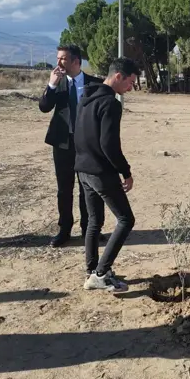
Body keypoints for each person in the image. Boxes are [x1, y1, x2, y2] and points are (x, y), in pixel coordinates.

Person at [74, 57, 139, 293]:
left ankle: (92, 270)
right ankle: (101, 274)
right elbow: (109, 145)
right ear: (118, 76)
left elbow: (79, 134)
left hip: (82, 169)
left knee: (94, 221)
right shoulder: (111, 104)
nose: (131, 88)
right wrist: (126, 171)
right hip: (100, 171)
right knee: (126, 220)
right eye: (130, 82)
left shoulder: (85, 97)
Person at [39, 45, 104, 247]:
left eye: (63, 59)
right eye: (57, 58)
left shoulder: (94, 84)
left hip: (87, 145)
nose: (58, 63)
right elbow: (44, 107)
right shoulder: (57, 84)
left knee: (88, 189)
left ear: (77, 61)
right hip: (63, 144)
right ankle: (64, 230)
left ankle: (89, 230)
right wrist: (50, 85)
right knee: (64, 189)